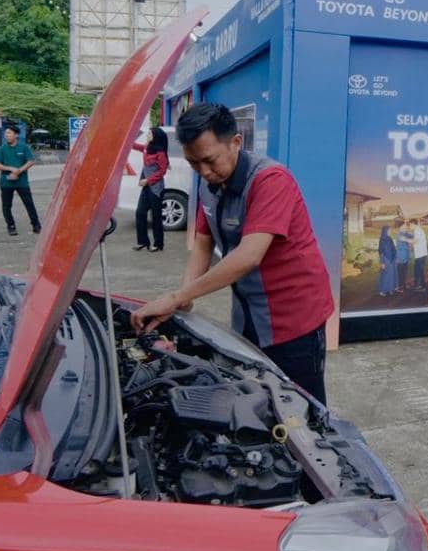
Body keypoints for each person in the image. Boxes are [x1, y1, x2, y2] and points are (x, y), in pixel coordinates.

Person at [130, 103, 335, 404]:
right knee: (259, 399)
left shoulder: (270, 180)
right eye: (193, 163)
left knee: (303, 410)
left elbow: (249, 255)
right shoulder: (208, 185)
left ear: (236, 142)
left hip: (294, 319)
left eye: (209, 161)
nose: (203, 171)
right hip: (250, 315)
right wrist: (185, 295)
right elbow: (202, 243)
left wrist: (174, 298)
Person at [0, 126, 41, 236]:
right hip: (6, 182)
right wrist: (10, 168)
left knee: (29, 204)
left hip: (22, 182)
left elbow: (31, 161)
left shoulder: (24, 147)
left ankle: (36, 225)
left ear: (16, 135)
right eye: (6, 134)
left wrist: (19, 171)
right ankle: (11, 226)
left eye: (9, 133)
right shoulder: (2, 149)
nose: (6, 135)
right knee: (6, 206)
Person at [133, 126, 170, 252]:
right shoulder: (146, 148)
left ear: (155, 137)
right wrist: (128, 139)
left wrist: (148, 180)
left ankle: (158, 244)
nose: (147, 136)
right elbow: (135, 146)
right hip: (146, 187)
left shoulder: (160, 153)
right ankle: (143, 242)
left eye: (149, 134)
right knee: (140, 213)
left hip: (156, 188)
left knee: (156, 216)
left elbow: (162, 171)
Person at [377, 225, 398, 297]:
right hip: (385, 259)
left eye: (390, 230)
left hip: (392, 259)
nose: (390, 232)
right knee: (385, 275)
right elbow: (381, 251)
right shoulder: (382, 239)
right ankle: (382, 290)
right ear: (385, 231)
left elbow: (393, 248)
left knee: (391, 275)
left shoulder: (390, 238)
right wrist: (382, 262)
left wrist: (395, 257)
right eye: (389, 230)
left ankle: (390, 289)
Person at [411, 217, 428, 291]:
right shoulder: (418, 230)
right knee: (420, 271)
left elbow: (415, 241)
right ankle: (422, 285)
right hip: (421, 254)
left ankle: (419, 286)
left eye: (410, 224)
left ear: (413, 224)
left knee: (418, 271)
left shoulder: (417, 230)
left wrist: (407, 241)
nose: (410, 226)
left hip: (420, 254)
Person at [395, 219, 411, 292]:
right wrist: (412, 241)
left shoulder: (405, 233)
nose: (406, 227)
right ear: (401, 227)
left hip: (405, 256)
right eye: (404, 226)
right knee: (400, 273)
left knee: (404, 272)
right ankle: (399, 287)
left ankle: (404, 285)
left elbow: (411, 235)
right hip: (400, 257)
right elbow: (405, 239)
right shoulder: (399, 234)